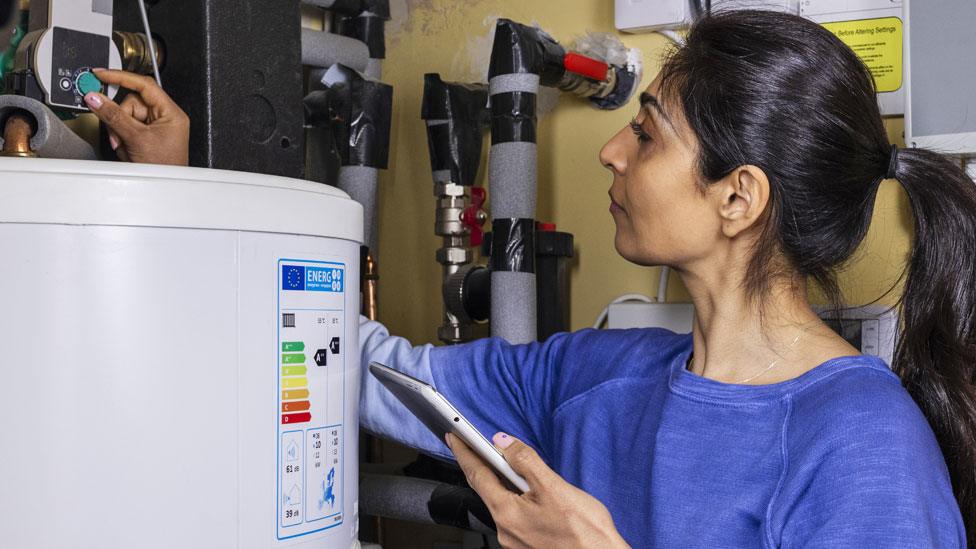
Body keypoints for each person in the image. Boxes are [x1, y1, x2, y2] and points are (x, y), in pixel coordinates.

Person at [96, 10, 973, 547]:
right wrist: (188, 194)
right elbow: (358, 366)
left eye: (649, 133)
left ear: (738, 197)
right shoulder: (597, 374)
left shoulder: (862, 446)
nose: (610, 149)